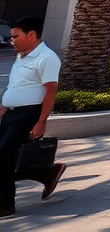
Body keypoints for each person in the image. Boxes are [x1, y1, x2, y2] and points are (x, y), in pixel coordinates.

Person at [0, 16, 65, 218]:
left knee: (3, 155)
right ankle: (47, 172)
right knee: (7, 155)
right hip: (11, 113)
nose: (12, 40)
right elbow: (18, 84)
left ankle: (5, 205)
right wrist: (4, 105)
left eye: (15, 36)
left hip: (29, 113)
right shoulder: (22, 56)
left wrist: (41, 121)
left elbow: (51, 90)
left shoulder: (47, 58)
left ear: (31, 35)